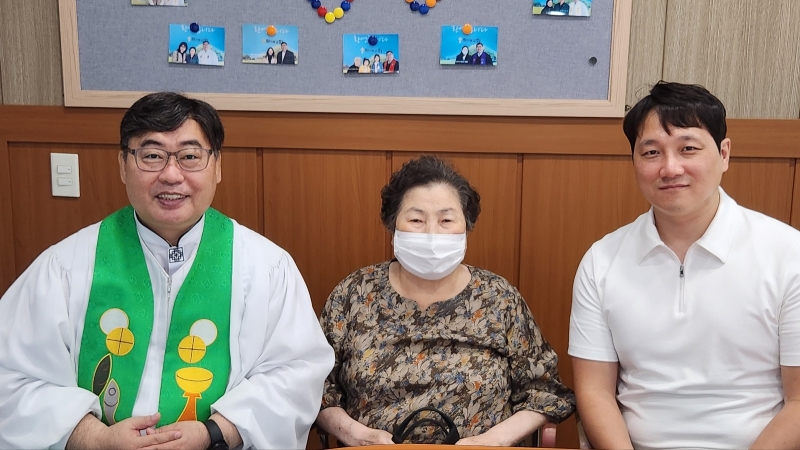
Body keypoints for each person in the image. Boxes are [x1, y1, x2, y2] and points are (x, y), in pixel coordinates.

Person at [0, 92, 335, 449]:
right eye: (152, 156)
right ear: (123, 164)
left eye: (190, 156)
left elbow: (296, 375)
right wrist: (97, 438)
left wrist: (214, 432)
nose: (171, 175)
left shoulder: (265, 268)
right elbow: (12, 379)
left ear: (217, 166)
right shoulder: (66, 267)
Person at [569, 81, 800, 449]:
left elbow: (798, 401)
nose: (670, 168)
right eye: (651, 153)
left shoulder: (788, 253)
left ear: (724, 153)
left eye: (688, 148)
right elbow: (595, 391)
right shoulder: (602, 260)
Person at [316, 155, 576, 446]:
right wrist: (360, 437)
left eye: (446, 220)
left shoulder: (499, 298)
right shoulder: (354, 294)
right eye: (416, 220)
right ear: (393, 225)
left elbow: (544, 391)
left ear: (466, 226)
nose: (431, 233)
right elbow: (316, 387)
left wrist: (493, 441)